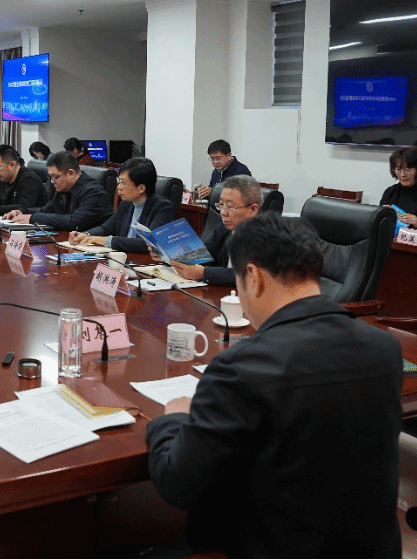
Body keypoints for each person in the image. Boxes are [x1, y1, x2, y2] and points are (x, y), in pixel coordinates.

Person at [147, 213, 402, 558]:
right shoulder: (384, 349)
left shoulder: (241, 367)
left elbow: (177, 485)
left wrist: (174, 417)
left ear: (253, 277)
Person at [168, 174, 260, 286]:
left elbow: (250, 275)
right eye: (221, 205)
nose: (223, 213)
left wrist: (203, 273)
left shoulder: (268, 238)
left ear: (253, 209)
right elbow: (203, 254)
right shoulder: (224, 228)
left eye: (230, 207)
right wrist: (167, 254)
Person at [69, 157, 176, 253]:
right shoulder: (126, 204)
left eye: (123, 183)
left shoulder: (163, 208)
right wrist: (86, 235)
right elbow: (106, 229)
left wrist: (106, 240)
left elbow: (149, 243)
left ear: (141, 188)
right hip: (124, 258)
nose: (118, 187)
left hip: (144, 263)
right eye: (119, 181)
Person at [2, 151, 112, 231]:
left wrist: (32, 218)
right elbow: (47, 210)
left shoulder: (94, 192)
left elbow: (74, 222)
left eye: (55, 177)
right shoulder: (63, 188)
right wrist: (23, 212)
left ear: (71, 173)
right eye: (50, 177)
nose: (52, 182)